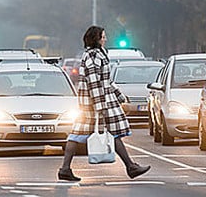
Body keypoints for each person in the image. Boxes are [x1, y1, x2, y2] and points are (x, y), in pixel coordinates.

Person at [58, 26, 150, 182]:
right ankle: (130, 167)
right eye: (103, 36)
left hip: (97, 102)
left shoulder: (99, 54)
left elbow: (106, 80)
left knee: (105, 133)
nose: (105, 39)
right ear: (97, 39)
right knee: (80, 134)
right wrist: (100, 108)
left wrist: (120, 96)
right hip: (94, 105)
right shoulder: (93, 56)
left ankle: (130, 166)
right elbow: (94, 83)